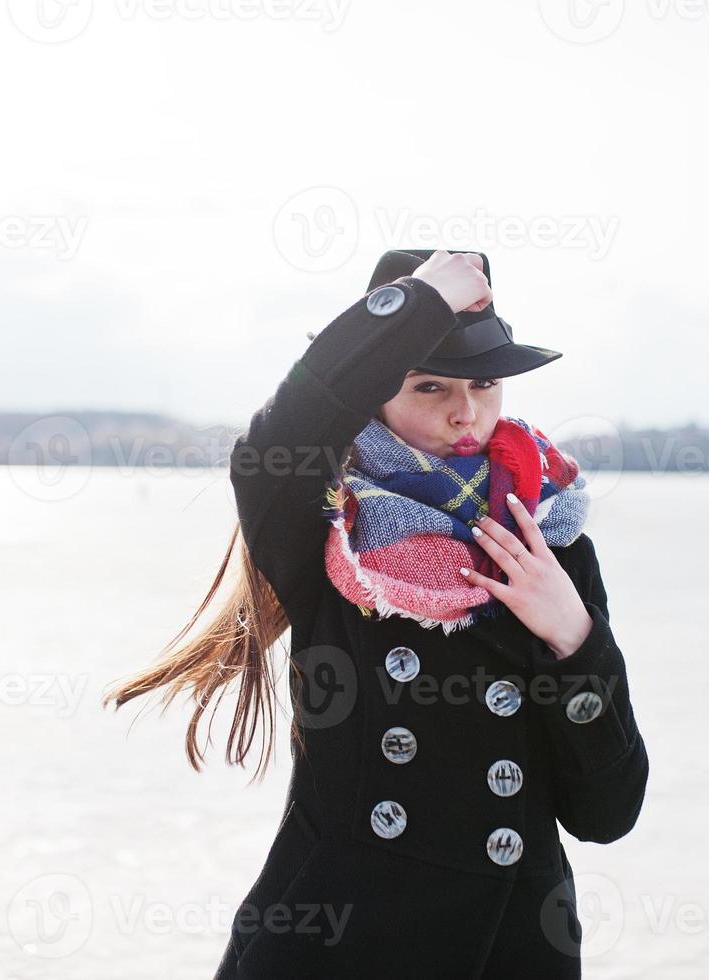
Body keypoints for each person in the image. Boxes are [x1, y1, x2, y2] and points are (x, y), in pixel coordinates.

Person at [104, 248, 651, 978]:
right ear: (371, 393)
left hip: (512, 950)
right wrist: (416, 302)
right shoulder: (325, 524)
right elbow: (276, 442)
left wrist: (575, 640)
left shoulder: (548, 541)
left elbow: (606, 815)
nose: (466, 412)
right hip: (340, 946)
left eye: (484, 384)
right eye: (428, 386)